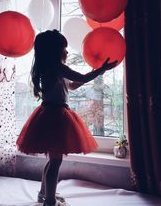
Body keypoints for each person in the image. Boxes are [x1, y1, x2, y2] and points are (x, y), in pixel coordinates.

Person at [16, 29, 117, 206]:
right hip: (55, 115)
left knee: (53, 160)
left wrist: (90, 76)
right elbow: (81, 77)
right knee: (55, 161)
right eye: (64, 48)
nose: (67, 51)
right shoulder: (57, 67)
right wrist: (101, 70)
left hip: (50, 114)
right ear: (54, 51)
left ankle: (44, 194)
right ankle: (49, 201)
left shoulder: (53, 69)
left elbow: (71, 85)